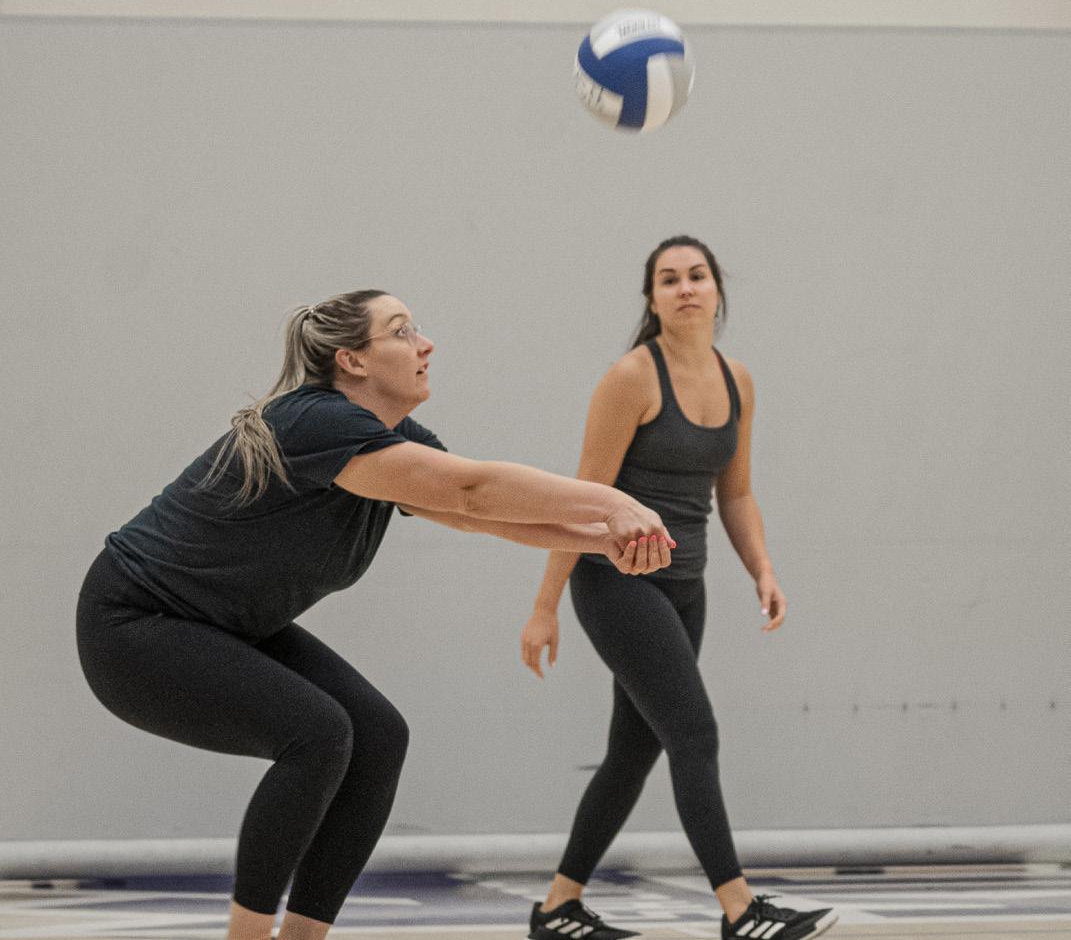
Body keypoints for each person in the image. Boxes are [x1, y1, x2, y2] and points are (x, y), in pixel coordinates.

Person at [76, 289, 678, 940]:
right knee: (317, 732)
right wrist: (613, 504)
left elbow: (473, 514)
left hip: (220, 623)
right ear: (353, 360)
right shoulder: (315, 421)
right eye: (402, 331)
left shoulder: (389, 440)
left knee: (378, 735)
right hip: (133, 624)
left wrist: (601, 540)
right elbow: (472, 491)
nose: (426, 344)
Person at [520, 238, 838, 940]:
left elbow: (737, 492)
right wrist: (545, 607)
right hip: (616, 584)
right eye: (669, 279)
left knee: (632, 752)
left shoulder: (737, 380)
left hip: (685, 587)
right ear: (652, 299)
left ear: (717, 290)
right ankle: (740, 910)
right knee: (694, 733)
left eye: (697, 276)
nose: (685, 288)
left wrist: (762, 568)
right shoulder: (631, 377)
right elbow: (582, 496)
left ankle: (557, 908)